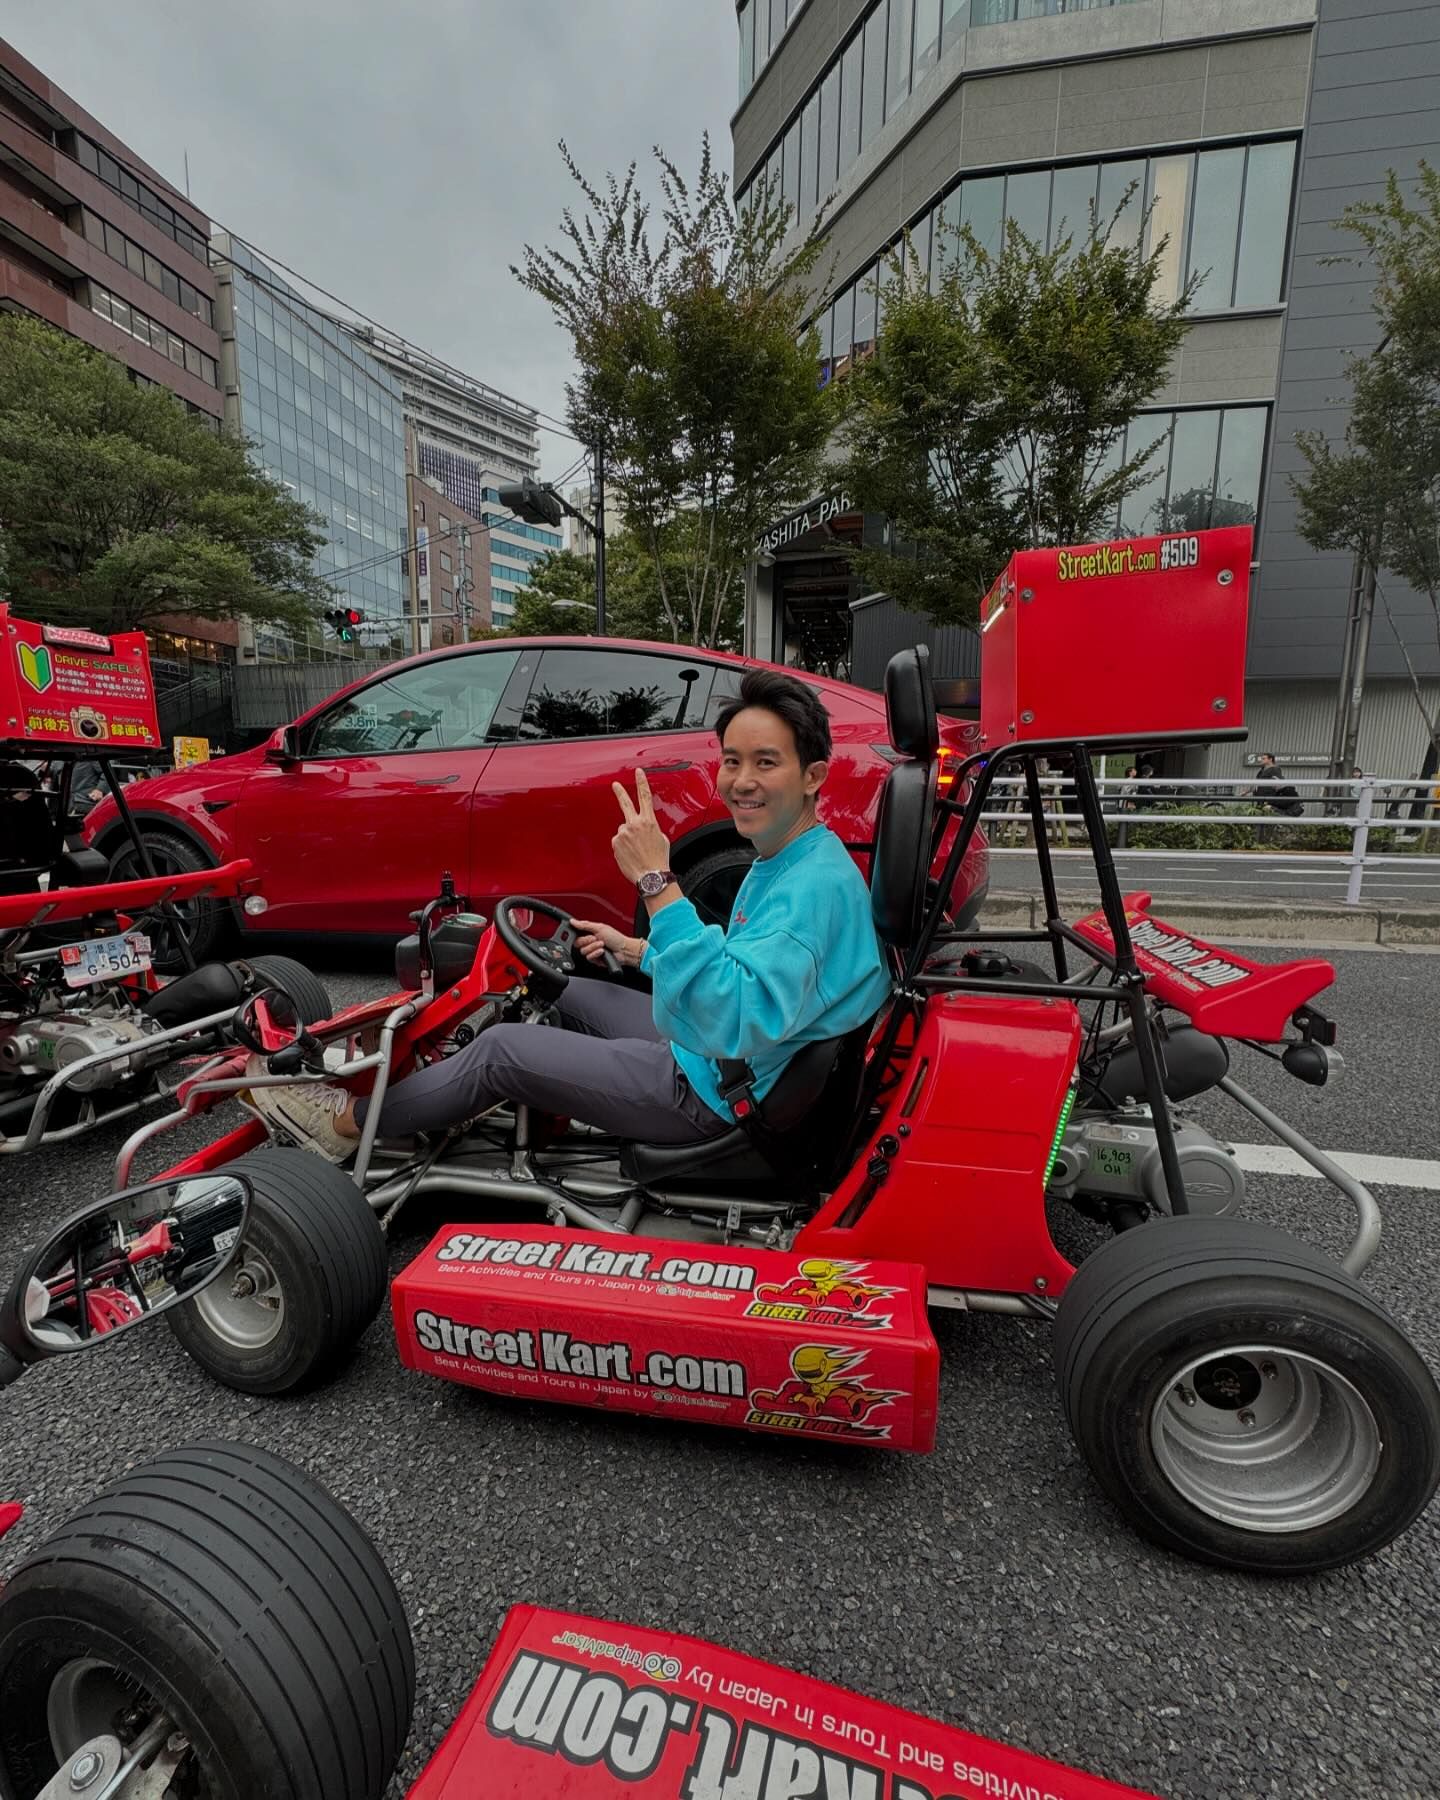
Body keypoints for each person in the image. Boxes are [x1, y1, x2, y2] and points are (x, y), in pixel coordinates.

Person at [243, 667, 894, 1161]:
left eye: (765, 763)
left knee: (500, 1048)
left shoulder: (811, 889)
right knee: (564, 987)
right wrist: (638, 949)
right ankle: (456, 1095)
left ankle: (342, 1125)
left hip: (712, 1093)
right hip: (728, 1058)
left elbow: (732, 1010)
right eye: (731, 761)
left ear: (812, 776)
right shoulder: (805, 859)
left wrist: (656, 881)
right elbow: (747, 966)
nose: (741, 780)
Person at [1250, 751, 1305, 817]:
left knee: (1267, 813)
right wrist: (1248, 791)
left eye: (1263, 758)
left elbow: (1279, 781)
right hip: (1260, 798)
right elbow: (1256, 783)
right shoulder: (1261, 771)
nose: (1261, 760)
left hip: (1268, 798)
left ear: (1270, 759)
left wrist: (1272, 807)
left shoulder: (1275, 769)